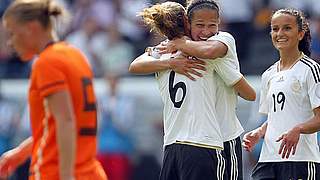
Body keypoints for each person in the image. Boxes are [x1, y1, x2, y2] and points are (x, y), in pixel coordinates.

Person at [130, 1, 256, 180]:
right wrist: (173, 59)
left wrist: (176, 50)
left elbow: (135, 65)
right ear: (187, 22)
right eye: (200, 25)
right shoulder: (204, 53)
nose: (206, 31)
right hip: (210, 141)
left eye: (212, 25)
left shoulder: (166, 50)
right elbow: (249, 94)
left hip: (178, 142)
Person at [0, 0, 107, 180]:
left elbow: (65, 120)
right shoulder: (75, 55)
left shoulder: (46, 62)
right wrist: (21, 152)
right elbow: (61, 124)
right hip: (90, 172)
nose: (10, 42)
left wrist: (66, 176)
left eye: (12, 33)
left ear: (31, 27)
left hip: (54, 172)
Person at [242, 8, 320, 180]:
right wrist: (260, 132)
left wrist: (298, 129)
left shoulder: (310, 70)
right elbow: (277, 117)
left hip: (300, 160)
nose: (280, 33)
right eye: (275, 28)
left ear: (300, 34)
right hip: (268, 159)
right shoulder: (268, 74)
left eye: (287, 28)